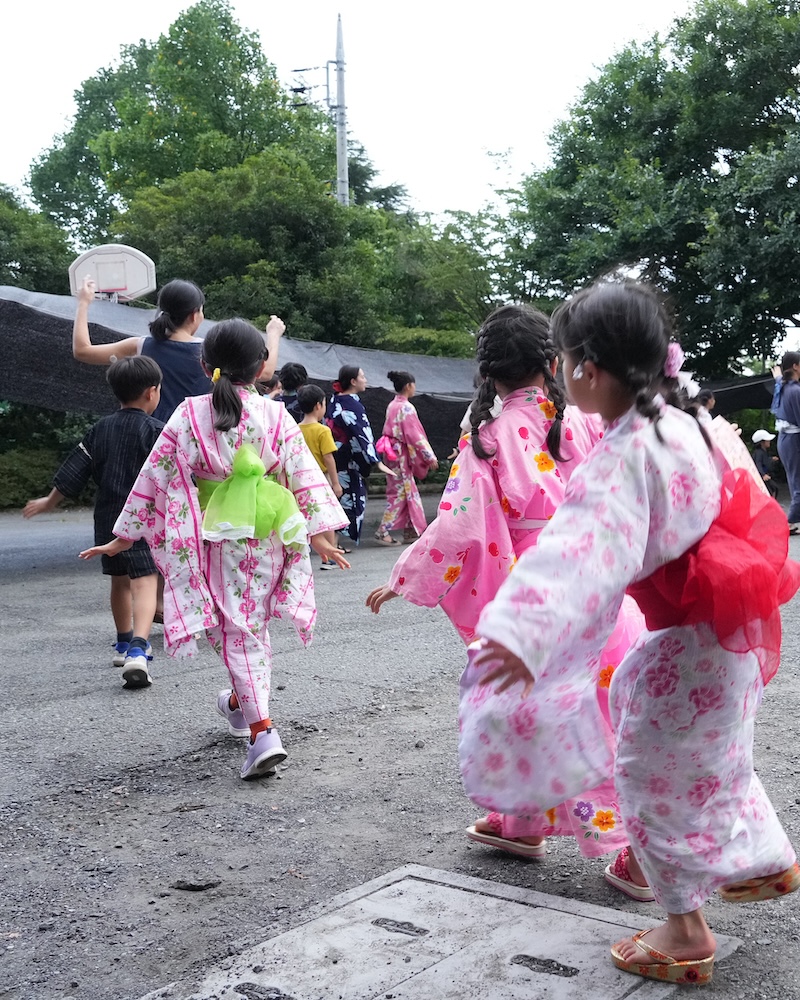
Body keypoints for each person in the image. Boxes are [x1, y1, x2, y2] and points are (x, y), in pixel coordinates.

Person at [471, 281, 799, 986]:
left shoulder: (624, 454)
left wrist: (518, 634)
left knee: (647, 779)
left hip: (684, 643)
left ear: (584, 367)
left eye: (561, 358)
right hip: (729, 626)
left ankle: (685, 930)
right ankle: (766, 858)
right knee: (715, 757)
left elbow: (576, 553)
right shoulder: (692, 423)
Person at [366, 304, 645, 874]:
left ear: (487, 372)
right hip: (594, 584)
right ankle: (529, 824)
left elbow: (462, 524)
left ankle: (619, 846)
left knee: (516, 708)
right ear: (552, 362)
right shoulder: (585, 421)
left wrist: (404, 575)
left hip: (533, 594)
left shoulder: (488, 436)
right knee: (598, 705)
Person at [79, 319, 350, 780]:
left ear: (206, 366)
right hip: (266, 535)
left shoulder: (189, 414)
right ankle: (237, 705)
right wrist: (321, 531)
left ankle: (263, 732)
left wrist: (126, 534)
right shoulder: (275, 414)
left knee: (236, 630)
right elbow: (304, 475)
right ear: (263, 366)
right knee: (247, 630)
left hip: (213, 538)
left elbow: (155, 476)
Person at [23, 356, 164, 688]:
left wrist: (49, 501)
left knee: (119, 581)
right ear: (151, 392)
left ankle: (122, 641)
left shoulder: (100, 428)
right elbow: (172, 475)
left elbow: (77, 467)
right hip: (140, 518)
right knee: (145, 580)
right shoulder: (155, 430)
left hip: (107, 516)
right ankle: (139, 650)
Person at [72, 275, 286, 421]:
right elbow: (265, 372)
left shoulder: (141, 346)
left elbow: (82, 351)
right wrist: (273, 335)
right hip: (199, 441)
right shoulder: (210, 351)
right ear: (194, 314)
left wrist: (83, 303)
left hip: (153, 440)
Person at [326, 365, 395, 548]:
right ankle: (332, 549)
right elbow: (362, 434)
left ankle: (335, 545)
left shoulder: (335, 400)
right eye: (362, 377)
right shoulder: (352, 404)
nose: (365, 380)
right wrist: (375, 460)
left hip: (336, 455)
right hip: (348, 458)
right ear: (353, 381)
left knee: (339, 498)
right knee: (346, 499)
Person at [374, 370, 438, 545]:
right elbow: (414, 435)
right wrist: (429, 456)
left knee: (406, 491)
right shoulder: (406, 407)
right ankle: (383, 531)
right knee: (401, 492)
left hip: (392, 452)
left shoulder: (392, 405)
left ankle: (411, 531)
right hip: (399, 454)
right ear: (409, 386)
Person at [297, 384, 344, 570]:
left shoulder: (296, 428)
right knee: (327, 516)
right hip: (321, 478)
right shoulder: (323, 430)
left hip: (302, 479)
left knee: (305, 514)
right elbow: (328, 457)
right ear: (318, 405)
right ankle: (328, 556)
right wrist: (335, 482)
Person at [771, 352, 800, 533]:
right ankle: (789, 520)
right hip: (794, 439)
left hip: (785, 439)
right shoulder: (795, 390)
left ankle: (792, 519)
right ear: (796, 366)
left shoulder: (782, 386)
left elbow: (780, 380)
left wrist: (779, 376)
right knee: (797, 482)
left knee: (794, 480)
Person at [752, 429, 779, 499]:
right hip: (762, 477)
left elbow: (764, 461)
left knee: (774, 489)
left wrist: (771, 459)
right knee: (772, 489)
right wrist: (763, 475)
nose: (769, 441)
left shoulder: (762, 452)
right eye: (767, 440)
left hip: (765, 476)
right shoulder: (759, 453)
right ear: (762, 442)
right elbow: (758, 464)